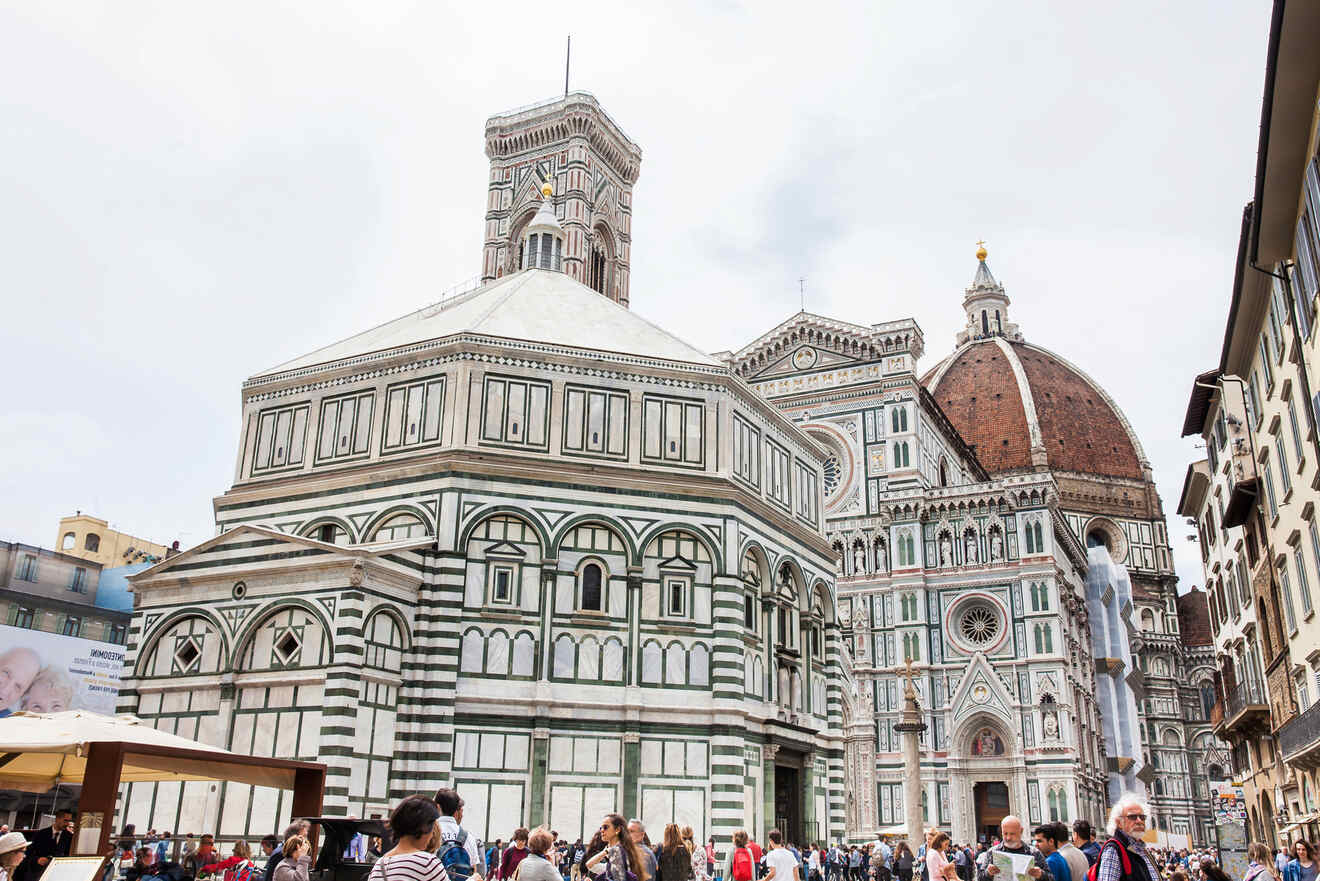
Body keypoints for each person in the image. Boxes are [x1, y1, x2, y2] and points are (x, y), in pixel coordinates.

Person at [368, 797, 448, 881]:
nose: (432, 836)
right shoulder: (427, 863)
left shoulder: (379, 866)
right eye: (432, 830)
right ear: (424, 828)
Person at [1093, 796, 1160, 881]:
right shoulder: (1113, 850)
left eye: (1142, 817)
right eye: (1132, 817)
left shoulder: (1143, 850)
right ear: (1119, 823)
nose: (1139, 821)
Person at [979, 818, 1050, 881]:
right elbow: (980, 877)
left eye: (1012, 834)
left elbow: (1051, 877)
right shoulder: (992, 852)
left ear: (1021, 831)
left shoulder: (1034, 853)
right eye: (1005, 833)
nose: (1008, 838)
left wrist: (1041, 875)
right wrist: (988, 873)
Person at [585, 814, 650, 881]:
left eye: (605, 827)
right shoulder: (618, 850)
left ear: (617, 829)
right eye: (601, 828)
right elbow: (589, 865)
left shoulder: (618, 851)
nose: (602, 830)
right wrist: (605, 852)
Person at [435, 788, 481, 881]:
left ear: (438, 807)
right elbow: (474, 872)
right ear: (456, 810)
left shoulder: (429, 834)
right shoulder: (468, 837)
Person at [17, 809, 73, 881]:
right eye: (65, 820)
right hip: (38, 874)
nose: (67, 824)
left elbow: (68, 856)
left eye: (69, 821)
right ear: (57, 819)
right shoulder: (41, 834)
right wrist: (37, 860)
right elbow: (28, 854)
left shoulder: (69, 837)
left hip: (56, 874)